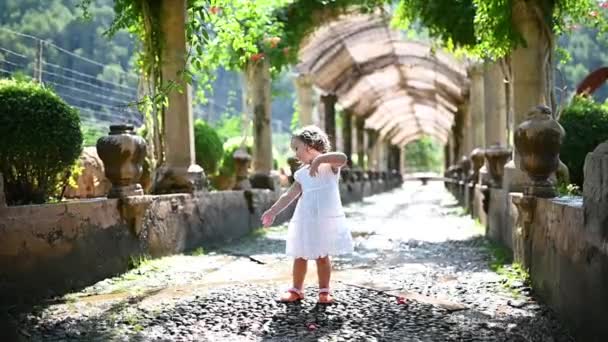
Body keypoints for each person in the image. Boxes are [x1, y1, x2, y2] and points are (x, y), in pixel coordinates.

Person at [261, 125, 354, 304]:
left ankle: (324, 291)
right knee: (300, 255)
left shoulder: (330, 166)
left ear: (309, 146)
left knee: (322, 256)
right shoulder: (302, 174)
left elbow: (342, 158)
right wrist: (273, 211)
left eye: (297, 148)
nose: (295, 154)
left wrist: (319, 161)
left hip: (324, 221)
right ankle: (296, 289)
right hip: (306, 219)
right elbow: (289, 195)